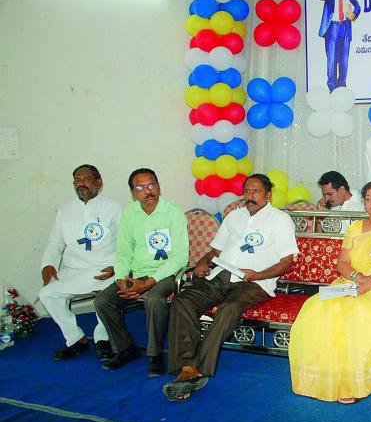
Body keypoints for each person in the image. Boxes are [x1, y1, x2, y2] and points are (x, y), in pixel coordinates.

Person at [163, 174, 297, 401]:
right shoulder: (234, 216)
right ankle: (186, 365)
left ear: (268, 194)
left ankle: (194, 368)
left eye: (256, 191)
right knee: (183, 300)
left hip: (254, 282)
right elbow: (215, 250)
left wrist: (258, 274)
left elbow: (287, 262)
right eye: (247, 191)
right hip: (221, 274)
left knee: (230, 308)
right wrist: (204, 263)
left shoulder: (280, 220)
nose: (250, 196)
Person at [289, 180, 371, 404]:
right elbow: (342, 263)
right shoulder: (355, 229)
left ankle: (352, 384)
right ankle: (324, 380)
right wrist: (358, 278)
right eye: (368, 198)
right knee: (317, 306)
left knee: (359, 312)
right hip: (350, 281)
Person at [94, 168, 189, 377]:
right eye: (141, 187)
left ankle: (155, 355)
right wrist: (120, 279)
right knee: (103, 301)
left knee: (154, 299)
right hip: (135, 274)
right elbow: (124, 252)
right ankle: (125, 348)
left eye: (152, 185)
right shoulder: (129, 214)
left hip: (164, 274)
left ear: (159, 187)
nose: (148, 191)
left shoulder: (173, 213)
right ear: (133, 193)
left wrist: (149, 282)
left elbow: (180, 257)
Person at [39, 165, 121, 362]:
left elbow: (126, 243)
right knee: (46, 294)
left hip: (105, 269)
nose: (81, 183)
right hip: (73, 269)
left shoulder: (114, 207)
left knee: (107, 296)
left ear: (99, 183)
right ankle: (76, 339)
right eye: (77, 180)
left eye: (86, 179)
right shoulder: (65, 209)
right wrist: (48, 264)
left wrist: (117, 266)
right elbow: (55, 242)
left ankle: (103, 338)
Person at [311, 0, 360, 92]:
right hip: (332, 27)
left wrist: (354, 14)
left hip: (345, 28)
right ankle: (332, 87)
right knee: (332, 58)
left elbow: (357, 6)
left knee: (344, 59)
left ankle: (342, 86)